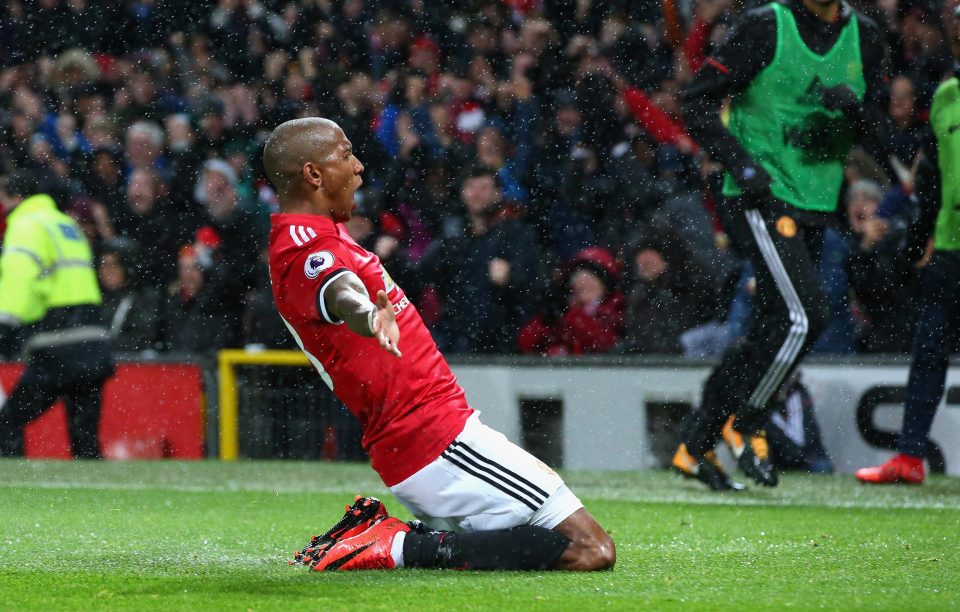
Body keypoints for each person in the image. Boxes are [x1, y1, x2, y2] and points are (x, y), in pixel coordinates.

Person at [263, 117, 614, 572]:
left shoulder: (319, 234)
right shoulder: (302, 245)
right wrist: (368, 315)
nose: (359, 167)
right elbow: (339, 288)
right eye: (346, 155)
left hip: (430, 440)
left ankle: (389, 540)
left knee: (552, 542)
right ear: (313, 174)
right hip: (434, 440)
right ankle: (395, 546)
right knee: (591, 549)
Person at [671, 0, 889, 489]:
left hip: (816, 201)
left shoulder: (868, 37)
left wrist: (859, 114)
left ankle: (695, 442)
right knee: (806, 316)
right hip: (762, 197)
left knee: (774, 325)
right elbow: (697, 100)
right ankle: (747, 424)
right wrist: (742, 165)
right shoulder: (765, 26)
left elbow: (882, 131)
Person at [855, 10, 960, 485]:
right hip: (951, 246)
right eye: (956, 32)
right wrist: (923, 243)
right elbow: (931, 180)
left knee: (931, 348)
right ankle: (910, 456)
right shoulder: (946, 96)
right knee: (928, 350)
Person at [0, 170, 114, 458]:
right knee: (85, 441)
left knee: (7, 424)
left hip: (58, 342)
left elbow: (19, 279)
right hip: (93, 340)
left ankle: (15, 491)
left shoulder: (25, 225)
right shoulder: (66, 223)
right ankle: (99, 500)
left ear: (17, 198)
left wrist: (5, 324)